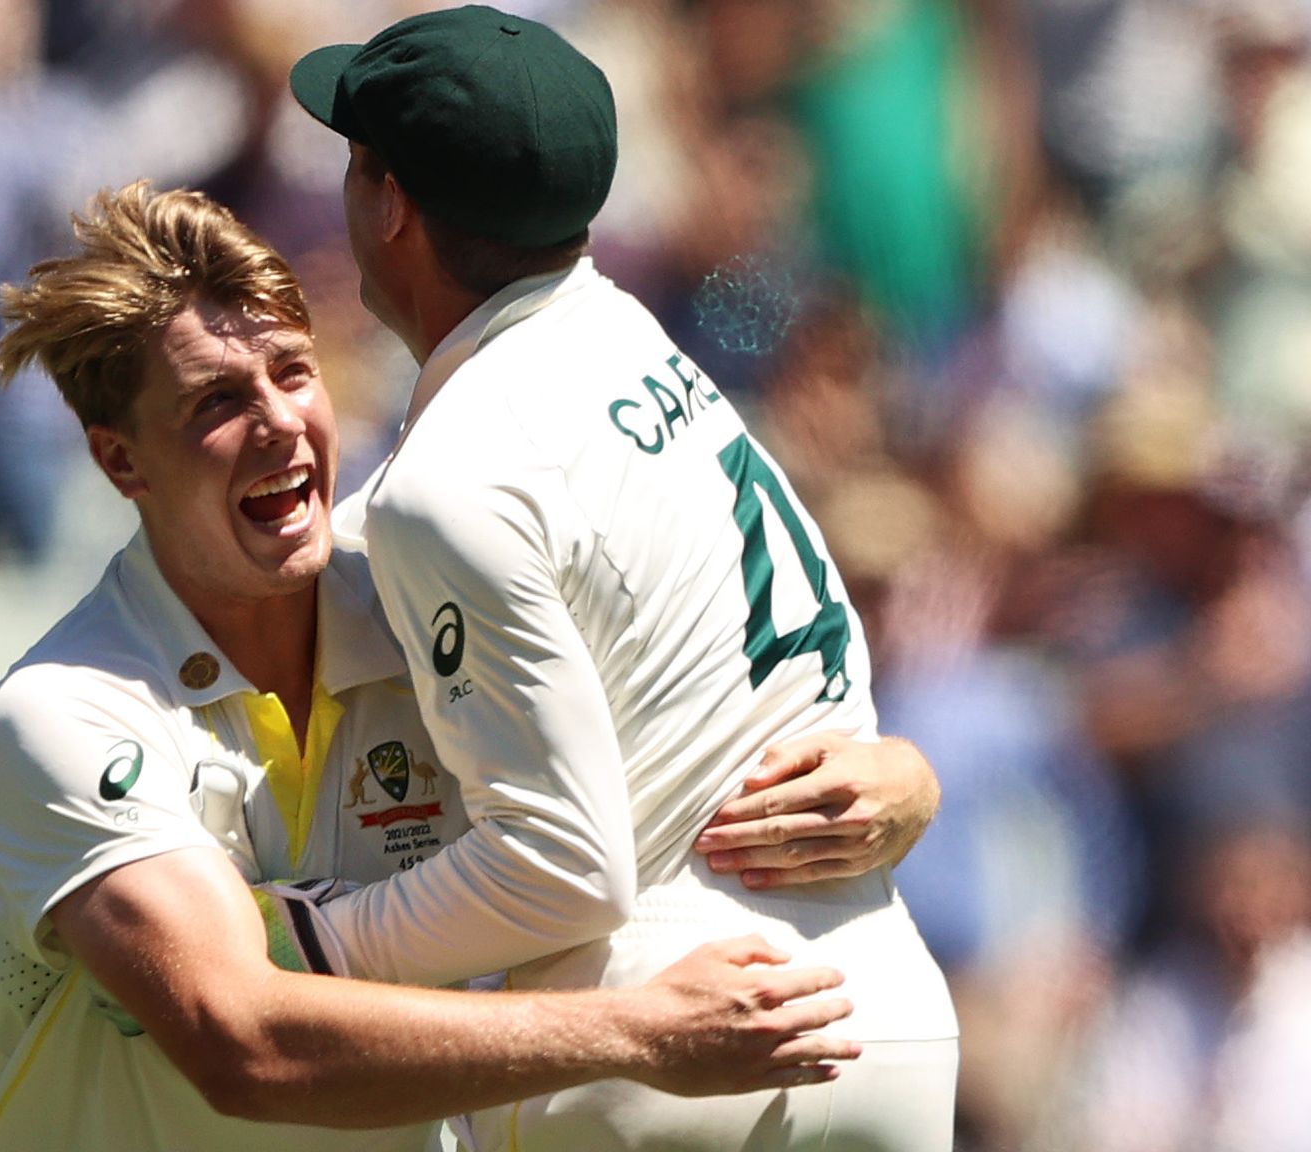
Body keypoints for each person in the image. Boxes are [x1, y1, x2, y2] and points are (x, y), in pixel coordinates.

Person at [0, 181, 939, 1152]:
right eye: (216, 400)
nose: (278, 423)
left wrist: (900, 780)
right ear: (121, 463)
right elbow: (241, 1042)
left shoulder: (419, 588)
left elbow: (701, 662)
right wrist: (634, 1035)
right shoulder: (67, 712)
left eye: (292, 372)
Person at [280, 7, 958, 1150]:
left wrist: (300, 948)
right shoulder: (648, 349)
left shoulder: (452, 476)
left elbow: (558, 869)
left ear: (389, 204)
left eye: (357, 167)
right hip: (881, 1008)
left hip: (662, 1035)